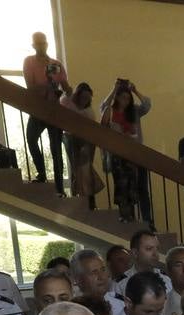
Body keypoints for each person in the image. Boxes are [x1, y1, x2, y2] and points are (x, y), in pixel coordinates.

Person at [22, 32, 70, 194]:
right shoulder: (29, 62)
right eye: (39, 43)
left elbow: (66, 87)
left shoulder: (56, 63)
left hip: (54, 110)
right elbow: (30, 86)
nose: (42, 46)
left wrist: (69, 91)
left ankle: (59, 188)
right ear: (34, 45)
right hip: (38, 108)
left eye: (44, 43)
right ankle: (42, 173)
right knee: (31, 139)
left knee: (56, 149)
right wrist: (48, 84)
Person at [100, 79, 153, 223]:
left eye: (128, 98)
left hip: (134, 153)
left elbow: (147, 105)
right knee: (121, 185)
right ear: (117, 97)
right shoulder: (111, 111)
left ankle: (134, 217)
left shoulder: (134, 111)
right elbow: (103, 107)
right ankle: (124, 215)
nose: (126, 101)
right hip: (117, 155)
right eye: (123, 97)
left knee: (133, 186)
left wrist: (135, 90)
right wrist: (114, 89)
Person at [61, 83, 100, 208]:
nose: (85, 100)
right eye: (83, 97)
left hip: (85, 141)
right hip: (70, 138)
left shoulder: (89, 112)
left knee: (85, 169)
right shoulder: (68, 103)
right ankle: (81, 199)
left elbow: (92, 130)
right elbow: (62, 100)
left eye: (88, 98)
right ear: (78, 96)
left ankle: (89, 201)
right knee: (77, 169)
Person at [114, 229, 163, 299]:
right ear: (135, 253)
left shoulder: (166, 279)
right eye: (149, 249)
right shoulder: (121, 284)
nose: (156, 254)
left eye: (157, 248)